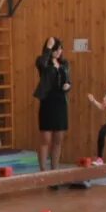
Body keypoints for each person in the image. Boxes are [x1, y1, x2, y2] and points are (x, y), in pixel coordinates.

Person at [34, 36, 71, 180]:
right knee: (46, 139)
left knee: (58, 139)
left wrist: (68, 86)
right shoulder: (42, 61)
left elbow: (68, 80)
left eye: (60, 49)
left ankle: (55, 169)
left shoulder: (65, 63)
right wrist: (48, 48)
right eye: (56, 49)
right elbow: (42, 64)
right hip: (48, 102)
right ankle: (43, 171)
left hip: (61, 102)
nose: (58, 52)